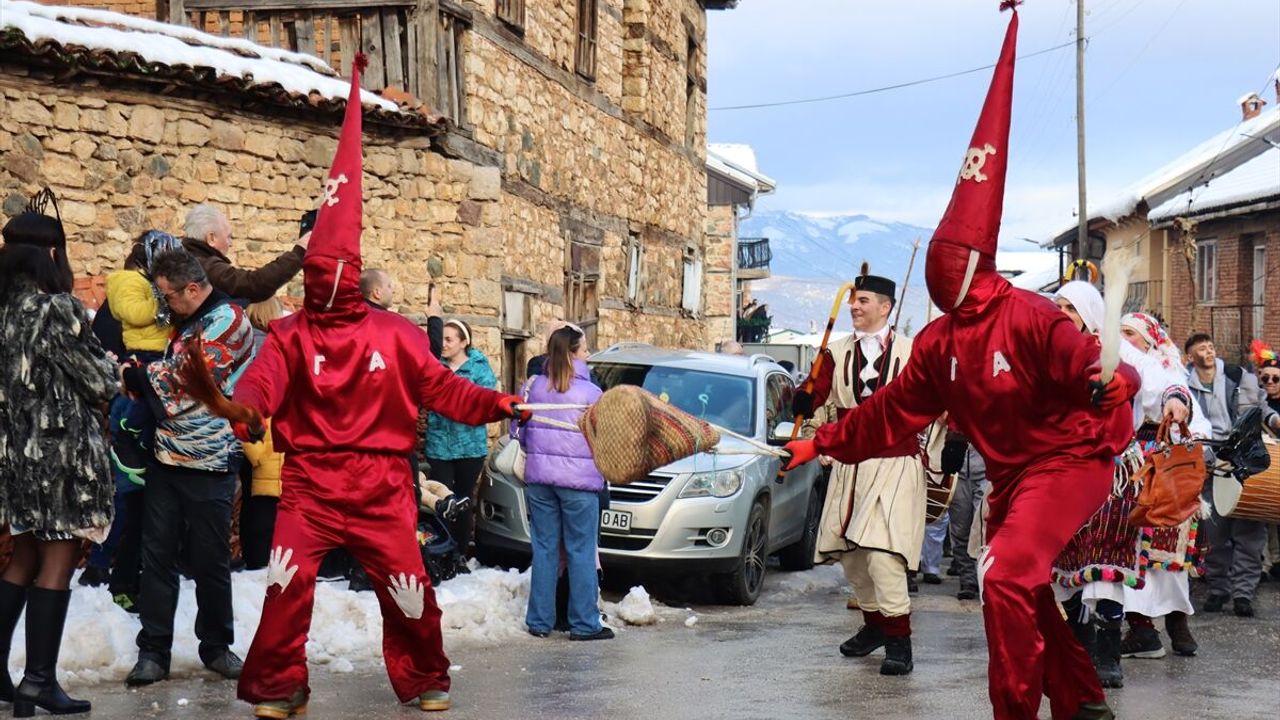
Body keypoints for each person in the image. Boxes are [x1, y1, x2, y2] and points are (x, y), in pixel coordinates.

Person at [781, 7, 1138, 718]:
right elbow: (891, 411)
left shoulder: (1032, 316)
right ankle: (1082, 700)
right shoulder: (940, 341)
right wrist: (819, 442)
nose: (942, 265)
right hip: (1012, 478)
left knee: (1001, 576)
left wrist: (1111, 383)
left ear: (974, 259)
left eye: (953, 254)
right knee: (1021, 587)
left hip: (1070, 461)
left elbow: (1093, 371)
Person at [200, 58, 528, 717]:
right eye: (314, 272)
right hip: (311, 488)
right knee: (285, 589)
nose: (320, 282)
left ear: (348, 272)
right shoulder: (289, 335)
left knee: (409, 590)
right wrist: (237, 407)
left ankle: (426, 676)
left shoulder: (398, 335)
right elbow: (259, 390)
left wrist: (500, 402)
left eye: (330, 270)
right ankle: (279, 685)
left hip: (382, 488)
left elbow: (444, 391)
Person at [1050, 284, 1208, 688]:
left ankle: (1108, 655)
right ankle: (1081, 645)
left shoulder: (1115, 348)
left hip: (1113, 472)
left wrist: (1175, 398)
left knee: (1107, 557)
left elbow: (1161, 379)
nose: (1063, 313)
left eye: (1072, 307)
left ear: (1089, 313)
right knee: (1065, 564)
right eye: (1058, 306)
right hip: (1061, 469)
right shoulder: (1045, 351)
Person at [0, 191, 118, 718]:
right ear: (52, 254)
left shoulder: (3, 310)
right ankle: (38, 682)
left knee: (23, 555)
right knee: (58, 560)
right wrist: (115, 367)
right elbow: (99, 380)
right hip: (62, 457)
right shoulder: (57, 309)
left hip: (15, 454)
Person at [120, 250, 256, 687]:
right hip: (166, 456)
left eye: (168, 297)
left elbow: (190, 374)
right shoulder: (187, 323)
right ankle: (153, 651)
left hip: (210, 461)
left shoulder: (229, 321)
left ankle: (216, 646)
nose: (165, 306)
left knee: (210, 560)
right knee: (156, 556)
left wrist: (137, 375)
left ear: (193, 289)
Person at [793, 265, 936, 675]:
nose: (854, 307)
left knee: (883, 553)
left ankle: (900, 642)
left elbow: (941, 396)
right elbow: (814, 391)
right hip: (850, 462)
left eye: (863, 301)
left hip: (896, 462)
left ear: (885, 307)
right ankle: (875, 626)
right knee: (853, 557)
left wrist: (955, 436)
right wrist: (802, 399)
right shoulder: (834, 352)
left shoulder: (912, 351)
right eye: (853, 301)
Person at [519, 324, 613, 641]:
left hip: (540, 479)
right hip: (579, 483)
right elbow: (605, 439)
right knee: (581, 551)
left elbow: (517, 432)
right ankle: (584, 623)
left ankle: (539, 621)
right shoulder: (591, 394)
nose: (588, 353)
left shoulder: (533, 386)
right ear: (574, 354)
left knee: (544, 549)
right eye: (585, 348)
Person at [1184, 332, 1277, 618]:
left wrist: (1274, 419)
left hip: (1244, 462)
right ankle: (1218, 589)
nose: (1209, 351)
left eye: (1211, 346)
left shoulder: (1239, 377)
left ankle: (1243, 594)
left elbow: (1261, 408)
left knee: (1249, 534)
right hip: (1210, 463)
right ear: (1190, 357)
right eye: (1202, 348)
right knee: (1215, 534)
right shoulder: (1183, 385)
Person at [425, 319, 498, 554]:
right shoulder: (436, 365)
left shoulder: (479, 368)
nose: (444, 344)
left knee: (464, 500)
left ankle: (460, 553)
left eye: (449, 339)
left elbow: (484, 401)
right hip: (439, 445)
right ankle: (442, 551)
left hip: (469, 447)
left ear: (464, 342)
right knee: (442, 499)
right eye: (442, 339)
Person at [239, 297, 288, 571]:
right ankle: (261, 560)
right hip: (266, 435)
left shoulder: (242, 345)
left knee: (252, 498)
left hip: (249, 434)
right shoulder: (270, 347)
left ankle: (253, 559)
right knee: (267, 502)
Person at [181, 203, 307, 303]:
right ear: (211, 238)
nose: (230, 244)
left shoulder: (183, 258)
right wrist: (299, 253)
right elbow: (253, 285)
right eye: (228, 237)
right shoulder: (202, 266)